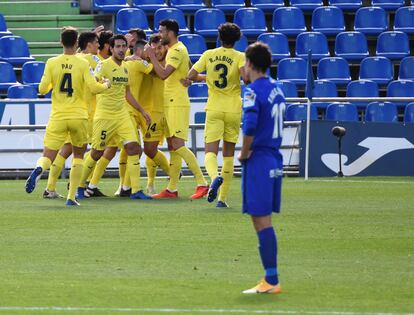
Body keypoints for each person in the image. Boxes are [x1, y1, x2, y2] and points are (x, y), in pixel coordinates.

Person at [25, 27, 111, 206]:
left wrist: (52, 86)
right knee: (79, 156)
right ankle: (71, 197)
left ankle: (40, 168)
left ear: (60, 42)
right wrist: (107, 85)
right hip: (79, 116)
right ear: (77, 42)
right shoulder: (82, 64)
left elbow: (42, 89)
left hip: (58, 116)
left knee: (49, 155)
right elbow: (94, 88)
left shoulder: (52, 62)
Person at [77, 34, 152, 200]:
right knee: (97, 152)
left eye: (123, 46)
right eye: (117, 46)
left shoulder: (125, 68)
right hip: (104, 116)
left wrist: (142, 111)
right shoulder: (103, 66)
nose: (120, 49)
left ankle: (135, 191)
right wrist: (103, 84)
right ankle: (80, 186)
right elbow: (93, 85)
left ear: (127, 48)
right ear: (111, 49)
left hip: (122, 115)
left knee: (134, 148)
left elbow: (127, 94)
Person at [238, 42, 285, 294]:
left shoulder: (252, 91)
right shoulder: (277, 89)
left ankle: (271, 280)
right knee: (263, 220)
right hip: (274, 158)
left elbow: (251, 125)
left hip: (259, 159)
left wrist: (244, 154)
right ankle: (271, 278)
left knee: (261, 221)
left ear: (250, 64)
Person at [146, 19, 208, 199]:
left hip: (177, 102)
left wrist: (151, 56)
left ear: (170, 33)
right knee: (174, 146)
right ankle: (172, 189)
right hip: (171, 102)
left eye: (162, 31)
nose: (160, 34)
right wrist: (201, 78)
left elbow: (164, 74)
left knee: (178, 145)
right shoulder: (177, 50)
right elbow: (189, 73)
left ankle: (202, 183)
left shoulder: (177, 50)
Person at [187, 22, 246, 208]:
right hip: (233, 109)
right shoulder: (240, 56)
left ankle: (214, 177)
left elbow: (190, 74)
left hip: (214, 108)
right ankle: (222, 200)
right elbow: (246, 77)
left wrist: (207, 77)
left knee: (210, 152)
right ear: (237, 39)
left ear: (219, 38)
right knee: (228, 155)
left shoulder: (209, 54)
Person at [43, 31, 101, 199]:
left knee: (65, 150)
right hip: (85, 112)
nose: (98, 45)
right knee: (82, 153)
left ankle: (51, 187)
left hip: (63, 113)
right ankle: (79, 187)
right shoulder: (88, 60)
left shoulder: (64, 60)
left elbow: (43, 87)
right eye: (96, 42)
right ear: (87, 44)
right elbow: (100, 77)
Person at [143, 34, 170, 194]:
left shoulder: (171, 61)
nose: (157, 51)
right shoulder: (149, 64)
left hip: (172, 110)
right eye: (154, 49)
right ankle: (152, 182)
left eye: (160, 47)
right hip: (155, 112)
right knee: (150, 149)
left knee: (175, 147)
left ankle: (172, 184)